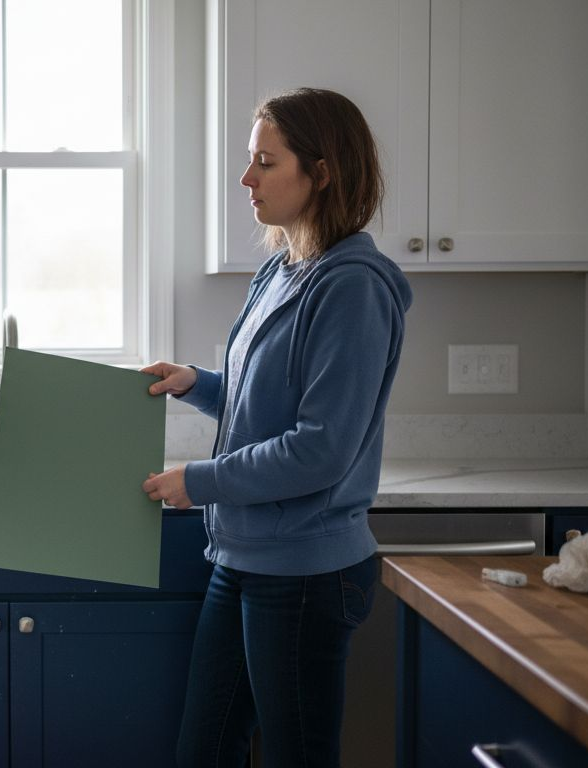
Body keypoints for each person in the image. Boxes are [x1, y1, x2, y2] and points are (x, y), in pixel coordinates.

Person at [141, 87, 413, 768]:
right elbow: (267, 406)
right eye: (250, 159)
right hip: (242, 558)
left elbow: (320, 449)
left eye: (266, 162)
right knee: (204, 752)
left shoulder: (353, 287)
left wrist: (198, 481)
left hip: (304, 573)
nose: (247, 179)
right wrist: (197, 383)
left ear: (322, 173)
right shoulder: (282, 271)